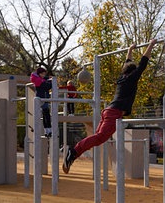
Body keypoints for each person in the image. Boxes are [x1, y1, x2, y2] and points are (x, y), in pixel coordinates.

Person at [62, 39, 157, 174]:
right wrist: (151, 45)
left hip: (108, 111)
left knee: (97, 138)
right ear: (133, 71)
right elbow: (143, 62)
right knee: (100, 137)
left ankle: (74, 153)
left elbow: (127, 62)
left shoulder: (122, 77)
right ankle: (74, 151)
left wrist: (130, 50)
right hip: (114, 112)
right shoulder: (131, 78)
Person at [30, 67, 53, 137]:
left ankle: (47, 131)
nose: (44, 75)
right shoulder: (39, 81)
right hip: (43, 98)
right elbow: (47, 86)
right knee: (47, 114)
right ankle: (49, 130)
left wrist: (47, 78)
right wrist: (51, 81)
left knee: (45, 114)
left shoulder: (39, 79)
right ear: (39, 74)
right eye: (43, 74)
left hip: (42, 98)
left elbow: (44, 79)